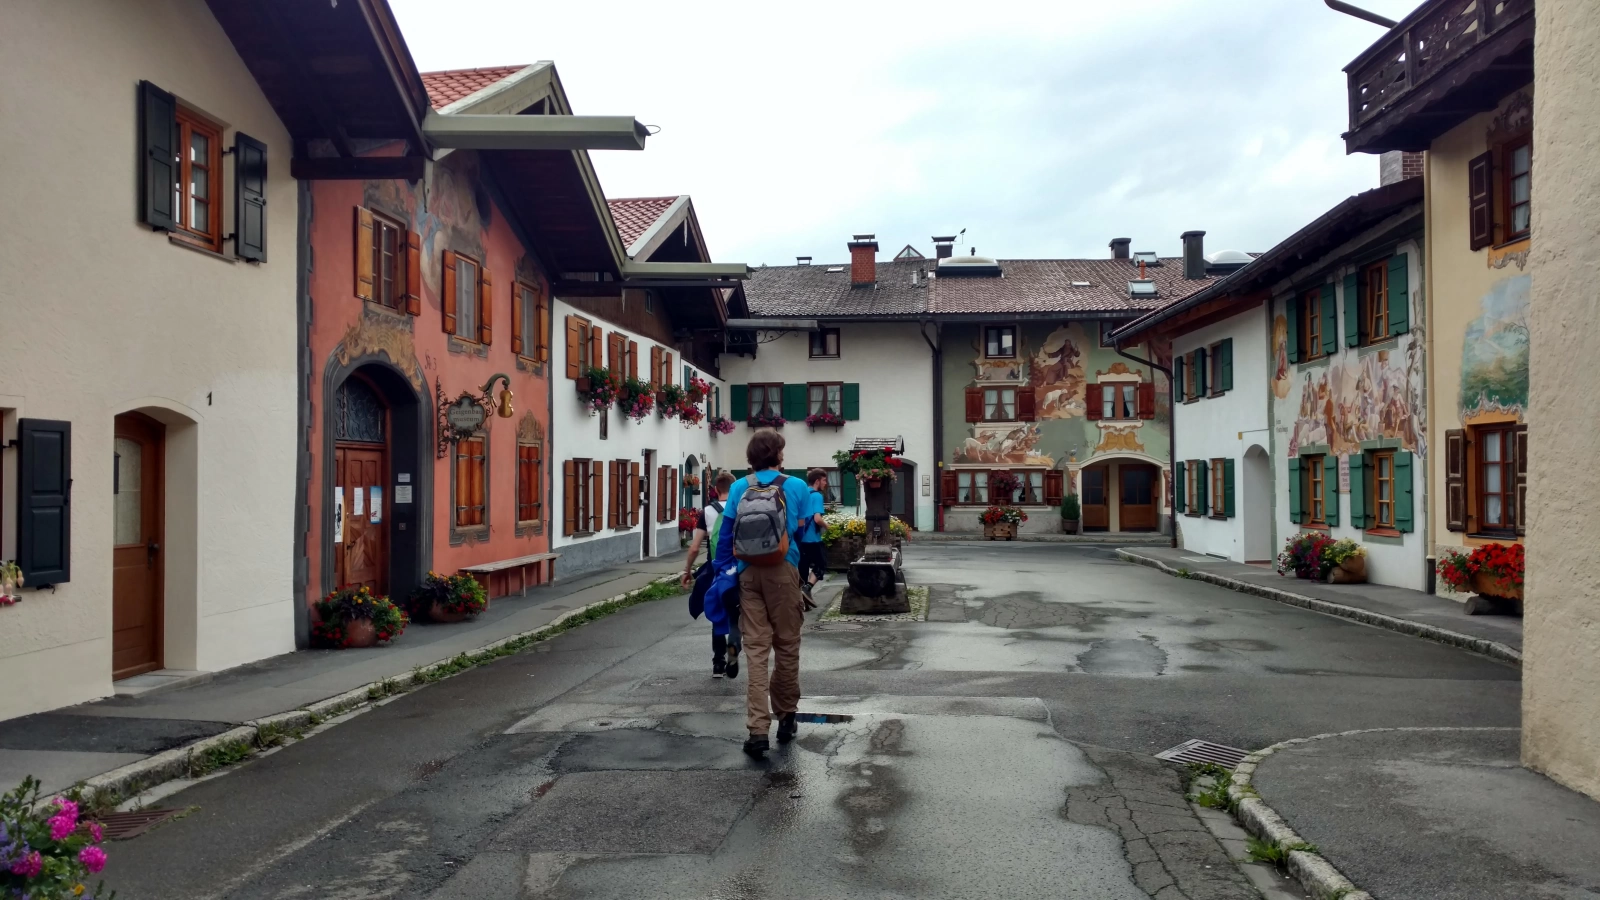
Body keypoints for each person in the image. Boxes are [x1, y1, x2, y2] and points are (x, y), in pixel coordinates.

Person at [714, 430, 813, 759]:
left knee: (756, 650)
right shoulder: (795, 485)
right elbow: (797, 529)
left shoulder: (740, 487)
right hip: (784, 569)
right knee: (786, 644)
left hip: (747, 572)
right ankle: (786, 717)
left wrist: (723, 574)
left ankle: (758, 730)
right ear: (779, 455)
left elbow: (726, 535)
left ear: (751, 457)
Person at [682, 470, 739, 679]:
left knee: (716, 613)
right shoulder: (739, 508)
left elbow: (695, 547)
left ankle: (718, 662)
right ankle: (735, 644)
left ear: (716, 490)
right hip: (738, 567)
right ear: (734, 489)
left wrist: (688, 570)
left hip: (715, 568)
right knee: (735, 613)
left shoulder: (707, 511)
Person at [797, 468, 829, 599]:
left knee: (802, 569)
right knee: (821, 565)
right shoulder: (817, 496)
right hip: (813, 539)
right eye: (824, 480)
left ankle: (801, 600)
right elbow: (817, 518)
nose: (825, 483)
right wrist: (828, 526)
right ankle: (808, 588)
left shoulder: (802, 495)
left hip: (800, 538)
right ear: (817, 481)